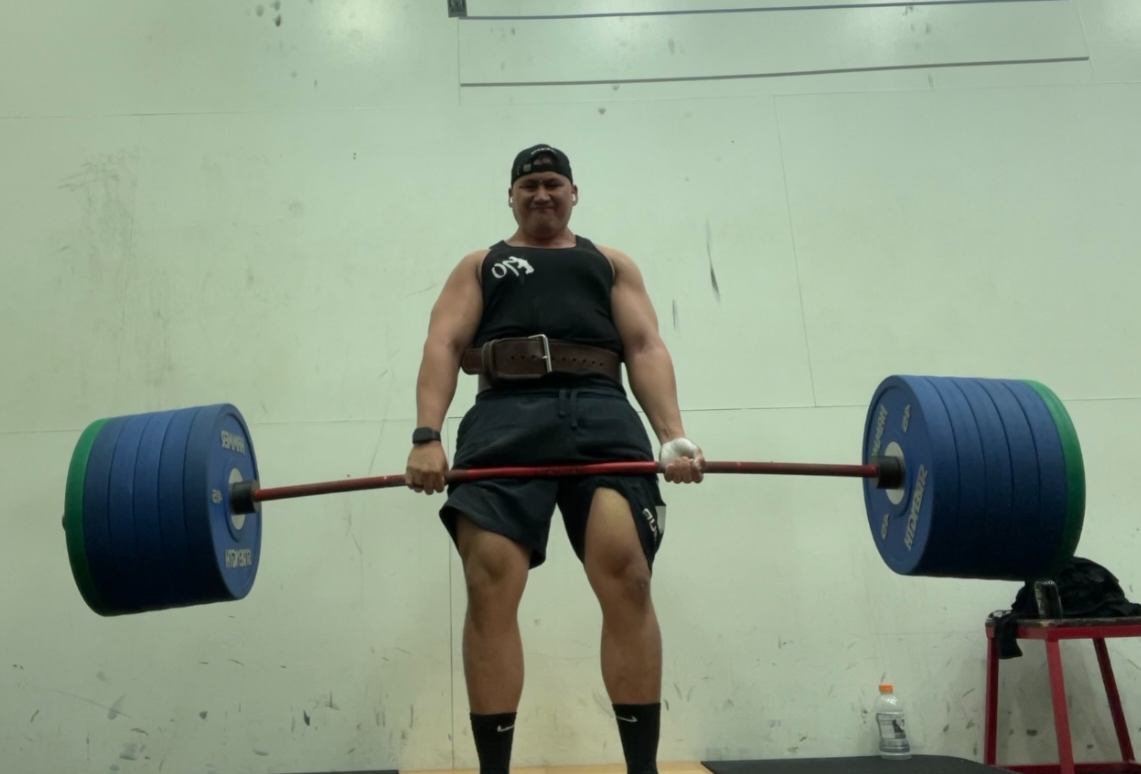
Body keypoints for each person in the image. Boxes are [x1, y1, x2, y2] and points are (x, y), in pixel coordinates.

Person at [404, 144, 704, 774]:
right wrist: (426, 435)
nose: (541, 194)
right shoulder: (482, 264)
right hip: (504, 420)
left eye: (553, 183)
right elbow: (443, 343)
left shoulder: (610, 263)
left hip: (600, 411)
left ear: (574, 193)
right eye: (528, 185)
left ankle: (642, 771)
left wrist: (672, 435)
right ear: (510, 196)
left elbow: (645, 346)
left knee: (628, 574)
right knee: (488, 582)